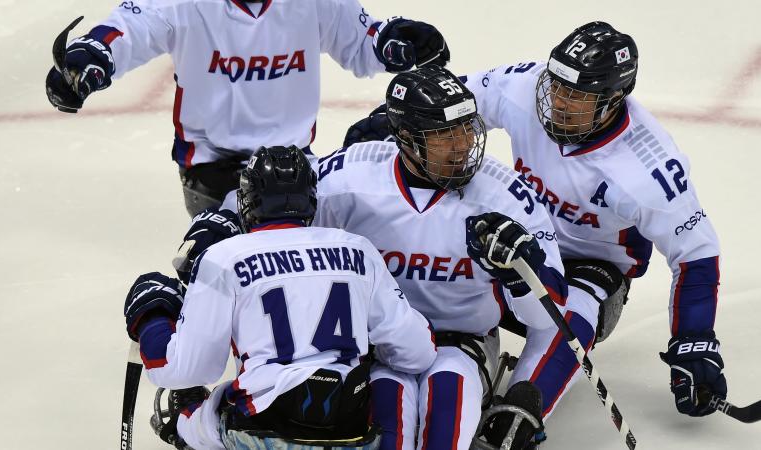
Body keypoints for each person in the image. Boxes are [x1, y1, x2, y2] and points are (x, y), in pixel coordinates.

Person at [454, 21, 727, 419]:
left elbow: (696, 254)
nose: (558, 101)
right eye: (557, 85)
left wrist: (695, 340)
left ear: (613, 99)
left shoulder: (648, 169)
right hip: (516, 236)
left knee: (572, 313)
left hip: (590, 269)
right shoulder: (525, 87)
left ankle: (517, 416)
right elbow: (451, 106)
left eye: (576, 95)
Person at [312, 65, 568, 450]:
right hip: (375, 342)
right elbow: (272, 220)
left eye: (467, 129)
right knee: (390, 400)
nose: (464, 145)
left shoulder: (508, 198)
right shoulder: (349, 178)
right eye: (446, 135)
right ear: (406, 138)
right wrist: (222, 225)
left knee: (447, 389)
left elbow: (548, 316)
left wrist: (519, 273)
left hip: (464, 342)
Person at [122, 146, 437, 450]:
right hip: (351, 431)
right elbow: (417, 352)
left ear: (246, 202)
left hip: (264, 433)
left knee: (191, 417)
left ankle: (184, 427)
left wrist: (151, 318)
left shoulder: (224, 257)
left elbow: (187, 369)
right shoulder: (358, 249)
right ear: (311, 198)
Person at [46, 0, 450, 217]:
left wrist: (394, 42)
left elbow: (364, 41)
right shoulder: (185, 4)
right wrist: (92, 54)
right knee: (239, 282)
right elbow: (128, 27)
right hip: (215, 170)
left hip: (298, 166)